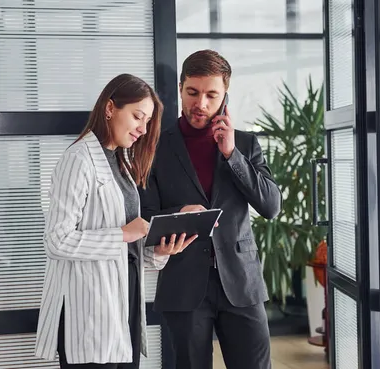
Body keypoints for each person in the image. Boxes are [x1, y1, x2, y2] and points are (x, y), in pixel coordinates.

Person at [34, 73, 198, 369]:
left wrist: (156, 253)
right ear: (110, 108)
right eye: (138, 117)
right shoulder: (78, 160)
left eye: (147, 122)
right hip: (89, 310)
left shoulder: (120, 162)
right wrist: (122, 234)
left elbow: (124, 246)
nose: (143, 129)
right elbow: (56, 241)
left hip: (124, 303)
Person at [139, 50, 282, 369]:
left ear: (224, 96)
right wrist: (180, 213)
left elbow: (271, 206)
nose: (200, 103)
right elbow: (145, 215)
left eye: (211, 95)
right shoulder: (155, 147)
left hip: (242, 283)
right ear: (180, 88)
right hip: (184, 284)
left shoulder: (244, 144)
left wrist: (231, 154)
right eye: (192, 92)